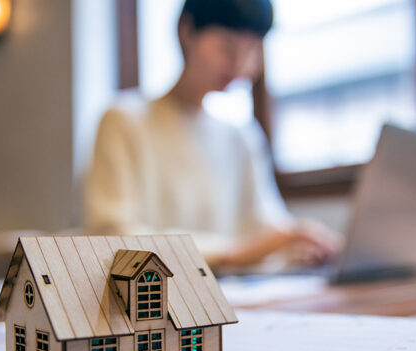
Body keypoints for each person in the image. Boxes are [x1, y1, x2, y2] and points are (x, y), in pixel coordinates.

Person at [85, 0, 341, 271]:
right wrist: (234, 252)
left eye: (252, 49)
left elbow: (267, 225)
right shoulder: (124, 121)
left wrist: (301, 244)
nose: (240, 64)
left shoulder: (242, 137)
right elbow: (112, 235)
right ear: (187, 31)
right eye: (227, 47)